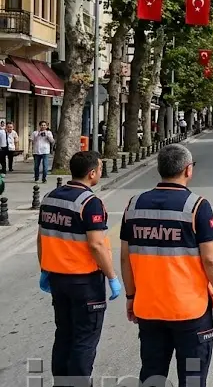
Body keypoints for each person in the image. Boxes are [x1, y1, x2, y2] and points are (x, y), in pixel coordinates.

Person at [120, 144, 213, 387]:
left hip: (148, 309)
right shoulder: (197, 206)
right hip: (190, 313)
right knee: (192, 377)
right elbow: (211, 259)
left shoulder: (134, 205)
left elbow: (125, 258)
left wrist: (130, 296)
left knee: (152, 374)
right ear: (188, 170)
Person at [37, 150, 121, 387]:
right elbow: (96, 245)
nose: (101, 172)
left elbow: (41, 237)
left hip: (57, 278)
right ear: (92, 173)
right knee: (85, 338)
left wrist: (44, 268)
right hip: (85, 282)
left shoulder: (50, 197)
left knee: (64, 334)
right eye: (100, 168)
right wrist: (112, 276)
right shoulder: (90, 203)